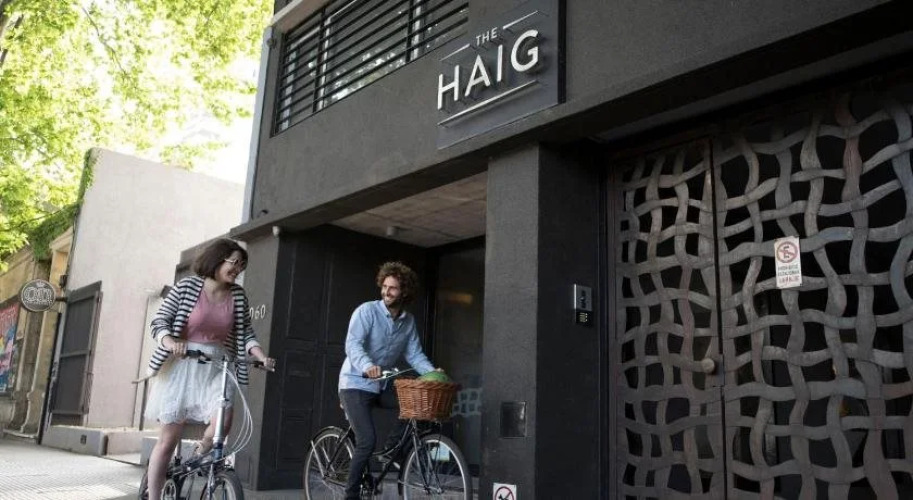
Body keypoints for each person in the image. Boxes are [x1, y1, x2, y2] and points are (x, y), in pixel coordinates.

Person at [143, 238, 275, 500]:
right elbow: (159, 322)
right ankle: (154, 495)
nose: (238, 269)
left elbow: (245, 333)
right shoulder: (187, 286)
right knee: (168, 441)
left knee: (223, 422)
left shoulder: (237, 295)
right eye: (234, 262)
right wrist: (171, 342)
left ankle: (199, 453)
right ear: (217, 259)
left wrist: (261, 356)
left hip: (217, 365)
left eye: (242, 265)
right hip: (182, 365)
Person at [338, 261, 442, 500]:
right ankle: (350, 495)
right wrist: (367, 365)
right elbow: (353, 344)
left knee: (413, 404)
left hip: (381, 384)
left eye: (393, 288)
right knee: (366, 441)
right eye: (384, 286)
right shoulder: (367, 311)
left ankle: (389, 450)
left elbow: (415, 355)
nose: (386, 292)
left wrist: (433, 373)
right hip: (355, 383)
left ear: (404, 291)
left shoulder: (408, 321)